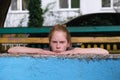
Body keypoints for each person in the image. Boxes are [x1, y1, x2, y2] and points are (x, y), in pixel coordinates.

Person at [8, 24, 109, 55]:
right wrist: (39, 51)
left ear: (68, 43)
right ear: (50, 42)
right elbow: (11, 50)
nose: (58, 46)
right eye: (54, 42)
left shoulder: (72, 51)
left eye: (62, 42)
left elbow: (104, 52)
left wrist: (76, 51)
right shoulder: (46, 51)